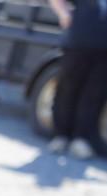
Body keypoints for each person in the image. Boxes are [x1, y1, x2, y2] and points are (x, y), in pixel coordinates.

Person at [47, 0, 107, 159]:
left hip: (104, 50)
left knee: (95, 95)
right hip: (78, 43)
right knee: (67, 89)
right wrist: (64, 14)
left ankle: (81, 139)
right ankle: (61, 136)